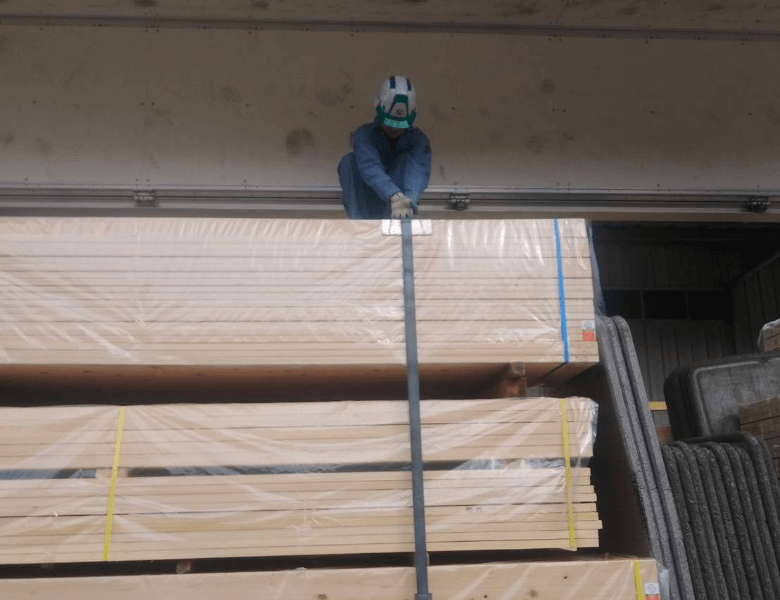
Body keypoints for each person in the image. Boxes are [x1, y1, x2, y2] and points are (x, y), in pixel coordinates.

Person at [338, 75, 432, 219]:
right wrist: (394, 195)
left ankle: (401, 220)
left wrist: (407, 200)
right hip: (368, 203)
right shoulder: (364, 135)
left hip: (399, 209)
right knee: (348, 162)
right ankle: (359, 225)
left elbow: (417, 173)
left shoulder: (418, 140)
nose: (395, 128)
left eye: (400, 124)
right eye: (390, 122)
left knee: (406, 159)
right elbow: (370, 166)